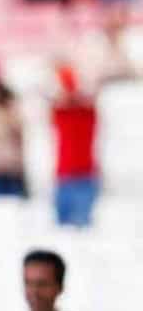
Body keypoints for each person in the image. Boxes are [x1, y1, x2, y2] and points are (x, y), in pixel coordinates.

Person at [51, 64, 99, 227]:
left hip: (84, 177)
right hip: (64, 177)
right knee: (62, 230)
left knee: (82, 229)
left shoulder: (87, 113)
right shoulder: (61, 113)